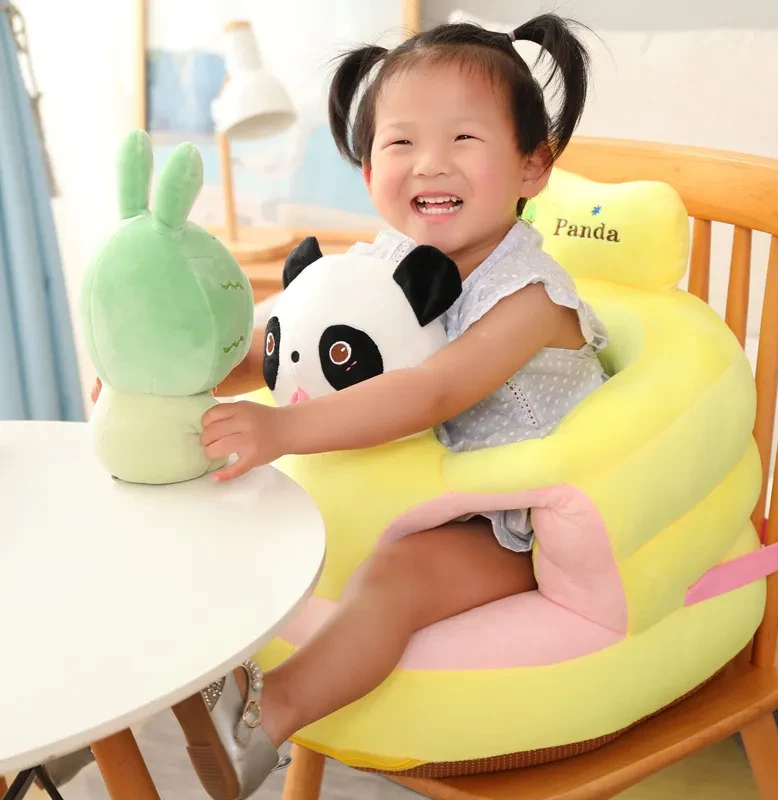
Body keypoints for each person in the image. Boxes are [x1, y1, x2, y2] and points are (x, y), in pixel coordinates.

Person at [97, 13, 608, 798]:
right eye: (401, 144)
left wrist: (284, 425)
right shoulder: (389, 258)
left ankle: (272, 719)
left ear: (532, 166)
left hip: (511, 513)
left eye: (464, 141)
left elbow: (432, 390)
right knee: (247, 507)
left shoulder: (530, 294)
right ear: (368, 169)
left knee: (395, 577)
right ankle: (195, 667)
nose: (430, 165)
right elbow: (284, 334)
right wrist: (170, 380)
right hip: (422, 478)